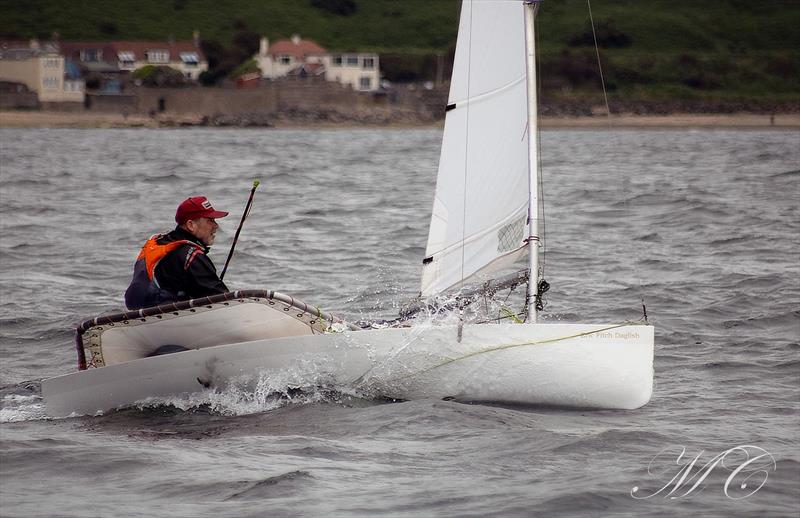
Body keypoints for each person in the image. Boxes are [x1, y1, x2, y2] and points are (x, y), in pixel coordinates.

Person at [124, 196, 230, 310]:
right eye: (210, 220)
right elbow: (223, 300)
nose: (216, 226)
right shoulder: (191, 255)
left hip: (138, 313)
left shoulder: (160, 244)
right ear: (191, 225)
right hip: (168, 318)